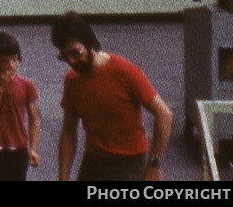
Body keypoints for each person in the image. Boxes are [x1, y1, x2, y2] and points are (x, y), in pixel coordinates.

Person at [52, 12, 172, 181]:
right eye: (65, 56)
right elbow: (68, 131)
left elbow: (164, 114)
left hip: (128, 164)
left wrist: (154, 164)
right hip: (93, 162)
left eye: (75, 53)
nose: (71, 61)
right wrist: (63, 177)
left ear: (90, 43)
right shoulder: (72, 80)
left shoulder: (124, 71)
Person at [0, 31, 41, 181]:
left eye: (14, 60)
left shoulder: (26, 85)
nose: (11, 66)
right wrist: (0, 88)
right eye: (5, 61)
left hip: (18, 150)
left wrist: (33, 148)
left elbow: (34, 119)